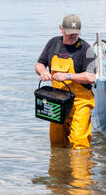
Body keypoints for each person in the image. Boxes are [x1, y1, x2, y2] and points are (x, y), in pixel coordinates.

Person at [35, 14, 96, 150]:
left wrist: (68, 76)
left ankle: (81, 170)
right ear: (61, 29)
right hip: (57, 101)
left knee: (80, 142)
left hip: (80, 103)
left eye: (76, 33)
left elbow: (91, 77)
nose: (73, 36)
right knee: (56, 142)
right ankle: (59, 168)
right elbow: (39, 64)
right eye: (69, 33)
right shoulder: (53, 43)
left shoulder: (87, 49)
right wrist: (43, 72)